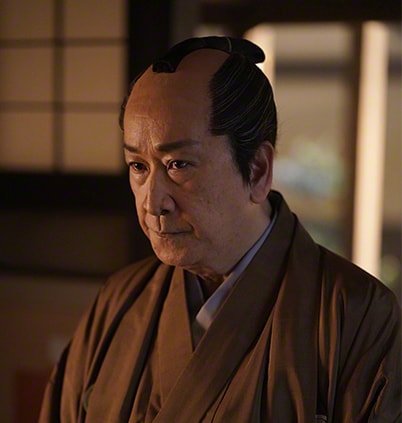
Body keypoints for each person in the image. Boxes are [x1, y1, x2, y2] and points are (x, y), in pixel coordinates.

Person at [39, 36, 401, 422]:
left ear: (257, 170)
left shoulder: (355, 315)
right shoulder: (119, 302)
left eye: (178, 164)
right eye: (138, 167)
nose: (152, 202)